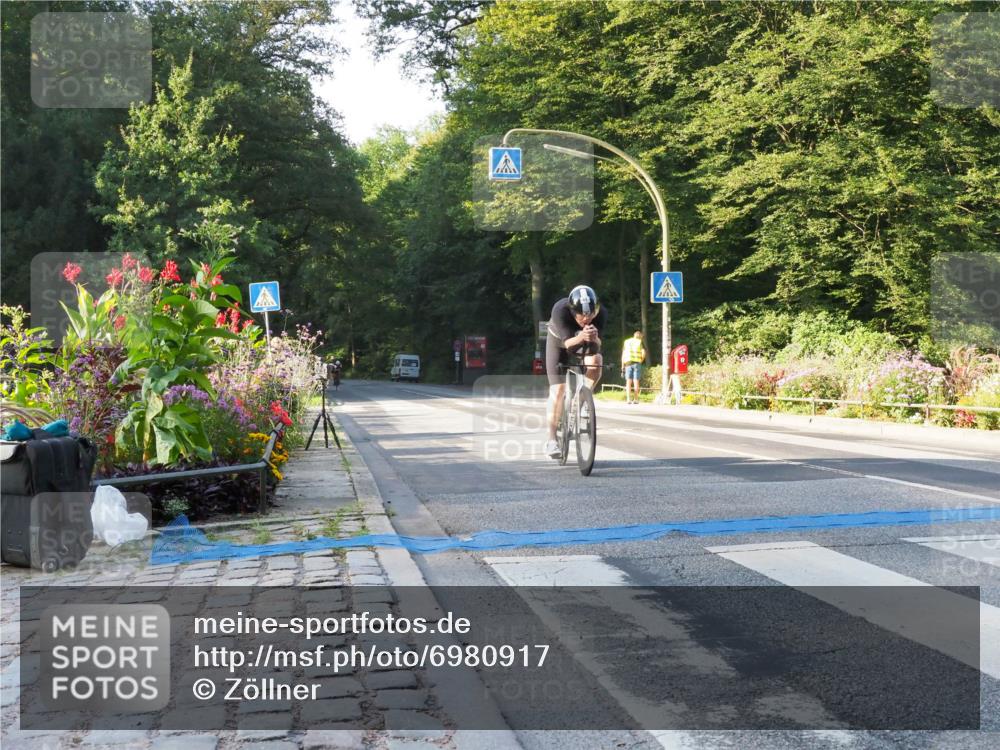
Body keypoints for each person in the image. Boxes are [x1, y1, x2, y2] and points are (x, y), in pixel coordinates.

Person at [543, 285, 606, 458]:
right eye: (582, 315)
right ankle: (551, 440)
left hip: (584, 340)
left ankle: (583, 400)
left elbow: (598, 346)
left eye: (590, 315)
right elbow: (569, 344)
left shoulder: (601, 313)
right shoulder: (560, 310)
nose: (586, 319)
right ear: (572, 311)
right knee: (558, 390)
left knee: (596, 362)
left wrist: (595, 339)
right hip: (559, 343)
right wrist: (581, 336)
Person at [620, 330, 646, 404]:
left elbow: (623, 355)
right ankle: (636, 399)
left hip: (628, 363)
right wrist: (641, 360)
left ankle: (628, 399)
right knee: (636, 381)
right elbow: (643, 353)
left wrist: (622, 366)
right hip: (637, 363)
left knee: (628, 381)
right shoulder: (640, 342)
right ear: (640, 336)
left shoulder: (626, 342)